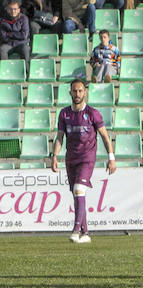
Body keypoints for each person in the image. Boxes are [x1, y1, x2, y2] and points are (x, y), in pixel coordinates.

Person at [50, 79, 116, 244]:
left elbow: (105, 136)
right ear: (70, 92)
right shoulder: (64, 113)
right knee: (77, 194)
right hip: (71, 158)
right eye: (75, 91)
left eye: (80, 91)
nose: (77, 94)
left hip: (87, 158)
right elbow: (59, 137)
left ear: (85, 92)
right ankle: (85, 233)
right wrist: (54, 156)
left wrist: (111, 158)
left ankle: (75, 230)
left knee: (79, 190)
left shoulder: (93, 113)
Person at [0, 1, 30, 70]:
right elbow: (3, 36)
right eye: (11, 9)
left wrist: (10, 34)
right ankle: (5, 71)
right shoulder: (2, 20)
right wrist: (15, 36)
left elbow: (24, 35)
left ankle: (26, 71)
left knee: (26, 49)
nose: (13, 11)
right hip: (8, 44)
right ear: (7, 10)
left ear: (19, 10)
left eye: (15, 9)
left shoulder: (24, 19)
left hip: (21, 44)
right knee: (2, 49)